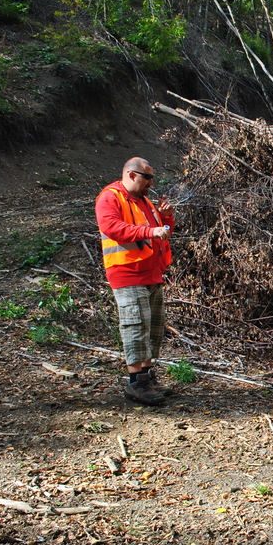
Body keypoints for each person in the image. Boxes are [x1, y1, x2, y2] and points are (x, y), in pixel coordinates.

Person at [95, 157, 175, 405]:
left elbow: (161, 232)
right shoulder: (110, 197)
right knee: (135, 326)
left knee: (153, 329)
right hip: (128, 273)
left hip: (151, 274)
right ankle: (135, 384)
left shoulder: (145, 202)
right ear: (131, 175)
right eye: (147, 177)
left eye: (152, 177)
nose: (151, 183)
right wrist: (151, 231)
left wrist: (167, 218)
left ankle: (147, 378)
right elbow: (112, 227)